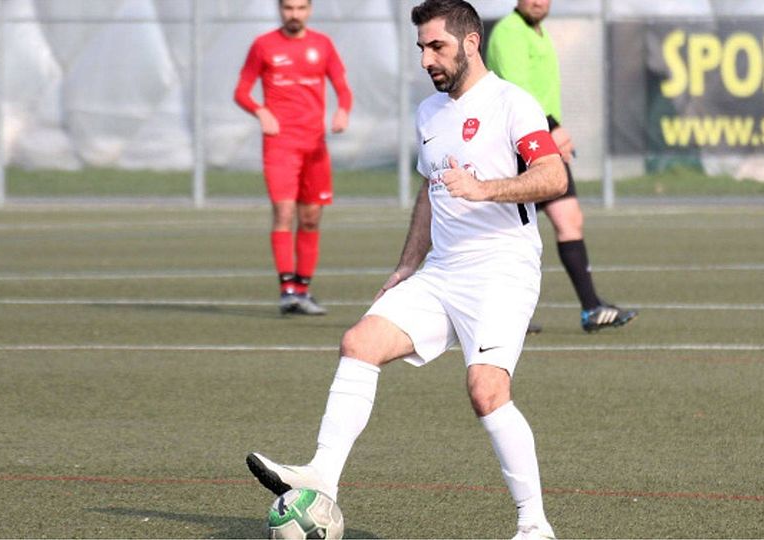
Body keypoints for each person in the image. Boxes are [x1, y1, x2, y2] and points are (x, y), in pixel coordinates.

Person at [246, 1, 564, 537]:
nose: (425, 60)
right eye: (420, 48)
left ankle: (535, 527)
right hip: (442, 270)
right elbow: (430, 188)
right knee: (359, 342)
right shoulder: (428, 113)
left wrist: (485, 188)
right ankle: (322, 475)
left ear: (469, 43)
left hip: (502, 268)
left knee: (486, 389)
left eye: (435, 46)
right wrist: (407, 263)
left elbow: (552, 176)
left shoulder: (513, 103)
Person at [485, 0, 637, 333]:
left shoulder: (538, 33)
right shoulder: (508, 33)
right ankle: (494, 313)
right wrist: (552, 127)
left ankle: (591, 309)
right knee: (504, 230)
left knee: (569, 218)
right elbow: (518, 90)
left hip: (543, 143)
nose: (539, 1)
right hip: (521, 144)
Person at [234, 0, 353, 315]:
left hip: (314, 146)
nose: (294, 14)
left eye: (301, 7)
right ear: (280, 9)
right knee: (284, 213)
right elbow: (242, 91)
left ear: (310, 9)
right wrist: (260, 111)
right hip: (280, 145)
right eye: (288, 8)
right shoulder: (263, 46)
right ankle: (287, 290)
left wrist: (343, 111)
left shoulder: (322, 45)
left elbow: (343, 87)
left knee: (311, 217)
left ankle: (303, 289)